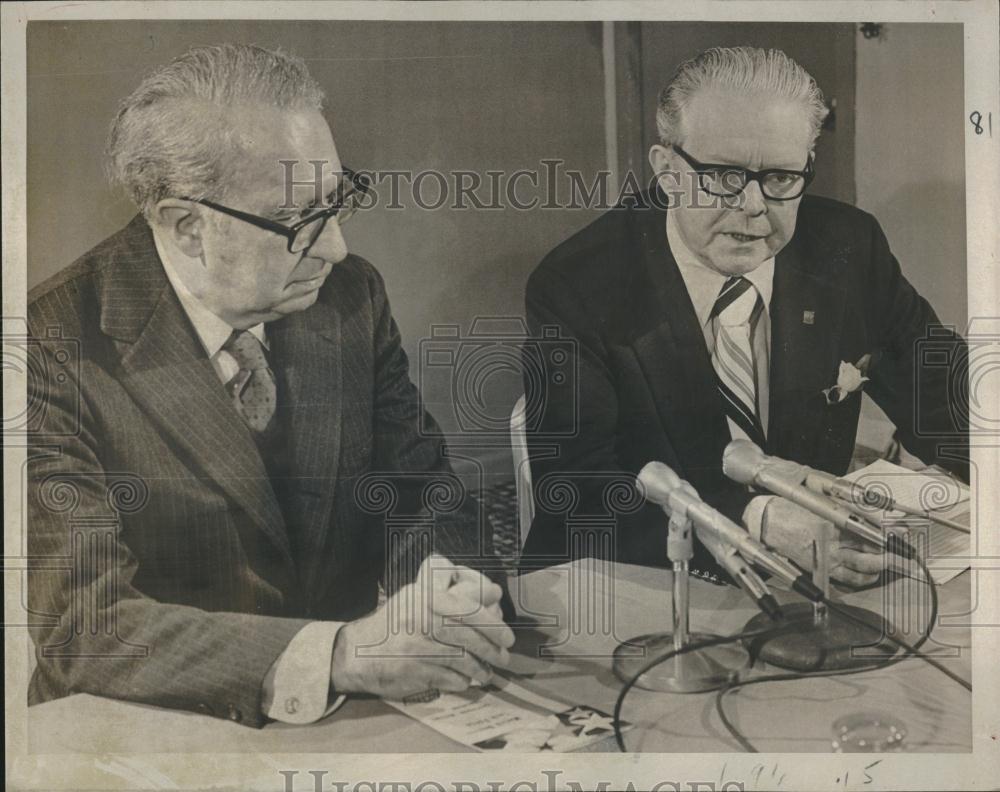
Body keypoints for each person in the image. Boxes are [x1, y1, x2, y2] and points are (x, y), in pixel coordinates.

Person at [26, 43, 513, 728]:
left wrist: (446, 591)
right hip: (145, 734)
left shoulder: (349, 298)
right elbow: (85, 624)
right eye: (295, 220)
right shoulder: (47, 349)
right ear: (186, 226)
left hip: (342, 723)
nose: (336, 247)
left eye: (337, 200)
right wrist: (337, 653)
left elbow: (421, 491)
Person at [521, 46, 968, 587]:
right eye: (723, 175)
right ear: (667, 171)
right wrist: (756, 521)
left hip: (819, 586)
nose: (754, 205)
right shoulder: (579, 283)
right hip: (641, 581)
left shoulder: (848, 247)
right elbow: (576, 491)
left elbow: (950, 401)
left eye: (781, 177)